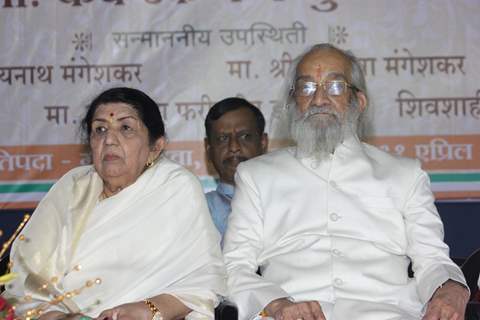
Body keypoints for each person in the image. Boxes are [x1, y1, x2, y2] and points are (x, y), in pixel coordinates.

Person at [223, 44, 469, 320]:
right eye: (306, 88)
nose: (319, 99)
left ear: (358, 102)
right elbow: (234, 266)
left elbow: (432, 259)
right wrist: (277, 304)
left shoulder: (404, 174)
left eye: (335, 87)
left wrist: (451, 287)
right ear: (293, 103)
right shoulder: (257, 175)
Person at [4, 87, 226, 320]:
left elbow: (204, 281)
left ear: (155, 147)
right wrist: (58, 317)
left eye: (126, 128)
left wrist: (146, 309)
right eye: (99, 130)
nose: (109, 140)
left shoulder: (175, 188)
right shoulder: (71, 186)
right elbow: (25, 276)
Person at [204, 97, 268, 243]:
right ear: (208, 149)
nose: (234, 147)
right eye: (222, 138)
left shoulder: (286, 202)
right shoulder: (198, 210)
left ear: (263, 143)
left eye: (245, 137)